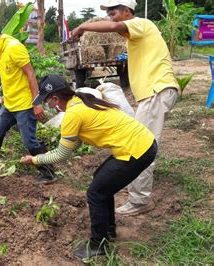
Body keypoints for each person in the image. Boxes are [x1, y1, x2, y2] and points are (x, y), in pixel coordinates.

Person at [21, 74, 157, 259]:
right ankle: (108, 231)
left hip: (136, 150)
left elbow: (62, 155)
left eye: (46, 101)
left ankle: (97, 245)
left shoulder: (73, 114)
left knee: (95, 193)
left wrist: (35, 160)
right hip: (141, 143)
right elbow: (74, 143)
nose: (46, 106)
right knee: (100, 182)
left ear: (55, 99)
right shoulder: (80, 99)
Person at [72, 0, 179, 216]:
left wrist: (82, 27)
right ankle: (137, 193)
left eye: (114, 13)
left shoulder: (141, 23)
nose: (111, 18)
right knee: (139, 141)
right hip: (154, 93)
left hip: (156, 91)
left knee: (140, 146)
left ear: (127, 12)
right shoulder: (137, 35)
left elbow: (112, 27)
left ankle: (140, 201)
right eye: (109, 14)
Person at [0, 24, 57, 184]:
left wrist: (37, 103)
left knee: (29, 140)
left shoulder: (13, 47)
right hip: (9, 103)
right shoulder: (2, 48)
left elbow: (30, 75)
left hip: (24, 104)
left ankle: (48, 173)